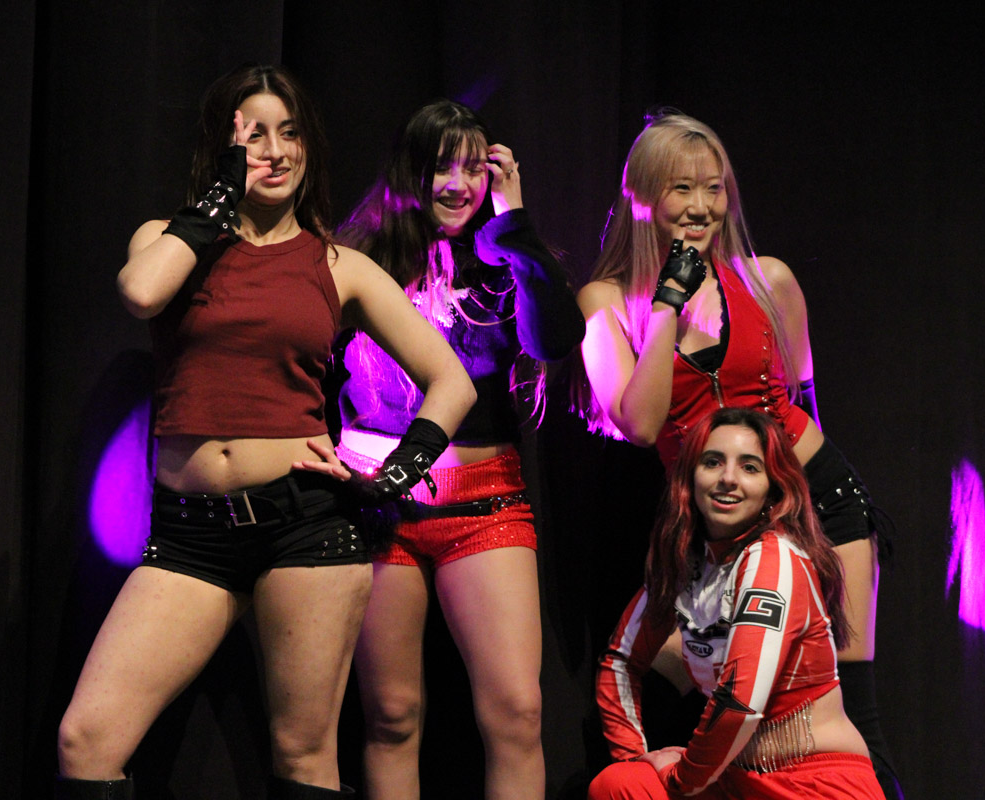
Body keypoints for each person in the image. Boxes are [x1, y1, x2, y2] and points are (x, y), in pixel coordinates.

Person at [55, 65, 475, 800]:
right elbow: (142, 292)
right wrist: (217, 202)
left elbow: (453, 382)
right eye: (253, 136)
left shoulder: (337, 264)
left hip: (305, 525)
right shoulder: (166, 239)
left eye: (290, 133)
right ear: (221, 148)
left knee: (303, 756)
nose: (276, 152)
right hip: (189, 534)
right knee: (85, 741)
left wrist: (393, 476)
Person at [576, 112, 902, 798]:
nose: (702, 206)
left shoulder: (767, 280)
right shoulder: (609, 300)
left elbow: (804, 398)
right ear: (642, 197)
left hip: (819, 501)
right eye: (681, 188)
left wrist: (804, 511)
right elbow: (639, 423)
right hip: (721, 521)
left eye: (714, 188)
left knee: (849, 707)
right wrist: (667, 304)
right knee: (733, 704)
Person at [314, 99, 583, 800]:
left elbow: (555, 340)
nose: (458, 185)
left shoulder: (505, 258)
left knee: (518, 712)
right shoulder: (359, 256)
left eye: (473, 168)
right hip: (377, 501)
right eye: (442, 167)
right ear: (411, 171)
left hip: (485, 502)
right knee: (392, 714)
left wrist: (514, 223)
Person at [590, 408, 886, 799]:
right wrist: (636, 757)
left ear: (772, 487)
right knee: (620, 785)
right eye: (713, 462)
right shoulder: (687, 565)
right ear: (690, 477)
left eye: (749, 467)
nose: (728, 478)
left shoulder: (775, 559)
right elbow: (621, 661)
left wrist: (681, 780)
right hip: (738, 781)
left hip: (816, 783)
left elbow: (740, 702)